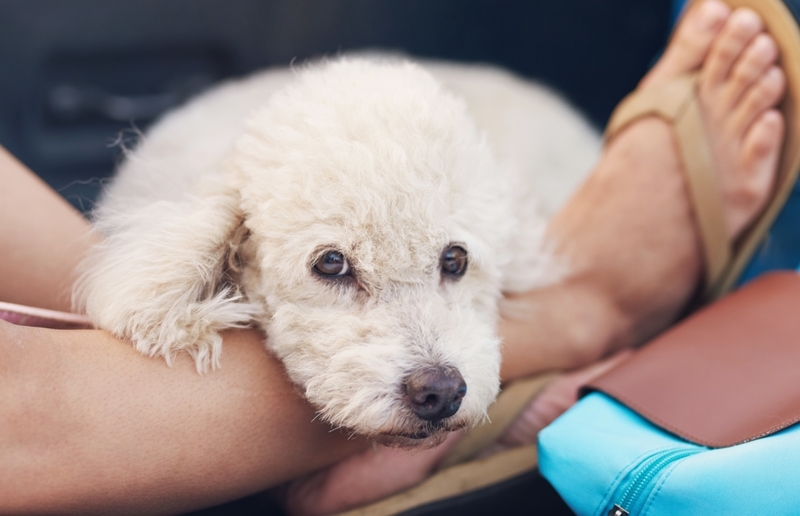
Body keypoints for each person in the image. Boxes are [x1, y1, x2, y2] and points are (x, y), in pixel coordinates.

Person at [0, 0, 786, 513]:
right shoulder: (212, 233)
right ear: (226, 254)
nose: (431, 368)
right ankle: (574, 319)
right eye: (335, 267)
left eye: (454, 264)